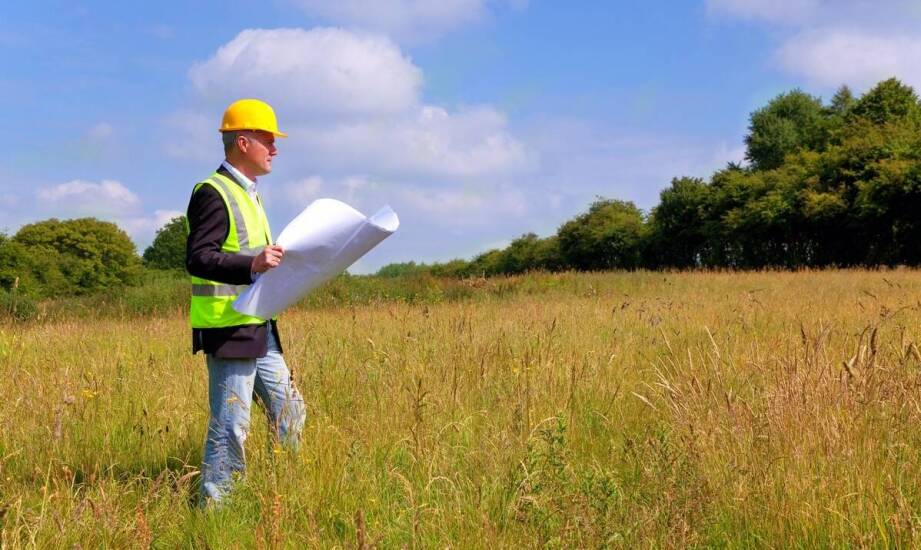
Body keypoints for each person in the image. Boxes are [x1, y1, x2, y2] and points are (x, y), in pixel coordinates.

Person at [185, 98, 306, 503]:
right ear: (242, 142)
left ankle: (286, 492)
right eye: (267, 139)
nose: (275, 148)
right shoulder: (213, 192)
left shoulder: (249, 193)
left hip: (259, 325)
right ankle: (216, 509)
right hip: (228, 326)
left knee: (291, 410)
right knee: (231, 424)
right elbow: (199, 257)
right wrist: (251, 263)